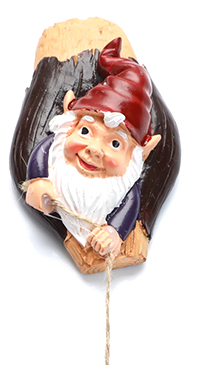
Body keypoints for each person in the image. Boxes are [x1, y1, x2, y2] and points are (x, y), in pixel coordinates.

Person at [23, 37, 161, 260]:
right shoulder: (56, 148)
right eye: (86, 131)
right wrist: (37, 182)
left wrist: (114, 232)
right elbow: (43, 152)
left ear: (135, 155)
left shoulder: (124, 184)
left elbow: (130, 204)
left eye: (115, 144)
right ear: (70, 125)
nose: (95, 150)